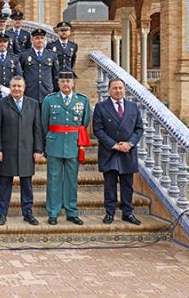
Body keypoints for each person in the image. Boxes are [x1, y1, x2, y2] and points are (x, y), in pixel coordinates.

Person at [42, 71, 91, 225]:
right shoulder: (49, 100)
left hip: (73, 144)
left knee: (71, 179)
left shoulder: (82, 100)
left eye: (68, 81)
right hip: (54, 143)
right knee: (53, 179)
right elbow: (44, 123)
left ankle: (71, 211)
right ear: (58, 83)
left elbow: (85, 122)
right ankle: (53, 212)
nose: (65, 84)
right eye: (62, 81)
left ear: (73, 83)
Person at [0, 76, 43, 226]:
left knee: (27, 185)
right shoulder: (1, 104)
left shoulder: (33, 104)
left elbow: (37, 128)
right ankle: (2, 214)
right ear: (10, 87)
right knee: (4, 186)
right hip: (7, 151)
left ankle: (28, 213)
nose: (16, 89)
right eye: (13, 86)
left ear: (24, 87)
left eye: (19, 86)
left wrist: (38, 149)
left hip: (27, 151)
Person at [92, 78, 144, 225]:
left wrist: (130, 143)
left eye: (120, 88)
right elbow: (98, 130)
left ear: (124, 89)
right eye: (115, 88)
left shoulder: (133, 107)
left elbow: (139, 129)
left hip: (128, 151)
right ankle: (109, 213)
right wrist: (114, 145)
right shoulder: (101, 107)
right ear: (109, 90)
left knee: (127, 185)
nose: (118, 91)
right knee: (110, 184)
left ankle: (128, 213)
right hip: (110, 152)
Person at [19, 28, 59, 104]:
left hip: (47, 92)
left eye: (42, 38)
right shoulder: (24, 55)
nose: (40, 40)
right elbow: (21, 74)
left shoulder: (52, 55)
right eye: (37, 38)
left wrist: (55, 91)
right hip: (30, 92)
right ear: (32, 40)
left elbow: (55, 74)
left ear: (45, 40)